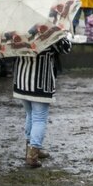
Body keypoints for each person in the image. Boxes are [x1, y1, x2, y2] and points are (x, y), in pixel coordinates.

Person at [13, 36, 72, 168]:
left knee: (30, 114)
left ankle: (31, 149)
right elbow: (65, 48)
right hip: (40, 82)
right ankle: (33, 154)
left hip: (22, 80)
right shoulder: (48, 31)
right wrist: (64, 36)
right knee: (39, 118)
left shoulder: (18, 30)